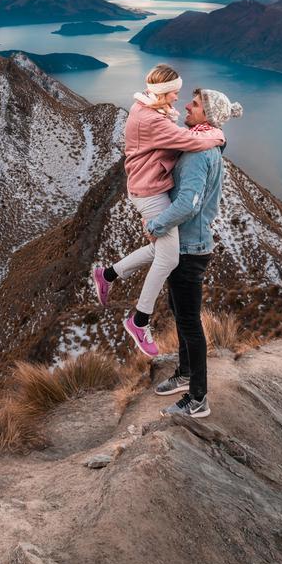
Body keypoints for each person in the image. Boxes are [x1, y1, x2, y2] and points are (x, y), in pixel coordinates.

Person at [92, 65, 225, 358]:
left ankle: (109, 274)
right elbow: (187, 141)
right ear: (163, 91)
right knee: (169, 257)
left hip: (150, 187)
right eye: (175, 92)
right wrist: (218, 137)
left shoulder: (149, 110)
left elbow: (177, 136)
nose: (179, 98)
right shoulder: (150, 118)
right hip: (151, 191)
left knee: (162, 250)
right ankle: (139, 322)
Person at [151, 88, 243, 419]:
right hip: (190, 245)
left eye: (196, 104)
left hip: (189, 248)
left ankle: (198, 398)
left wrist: (158, 224)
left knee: (189, 321)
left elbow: (187, 203)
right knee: (179, 310)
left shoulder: (197, 154)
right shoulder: (205, 144)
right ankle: (186, 374)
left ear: (209, 115)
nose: (188, 106)